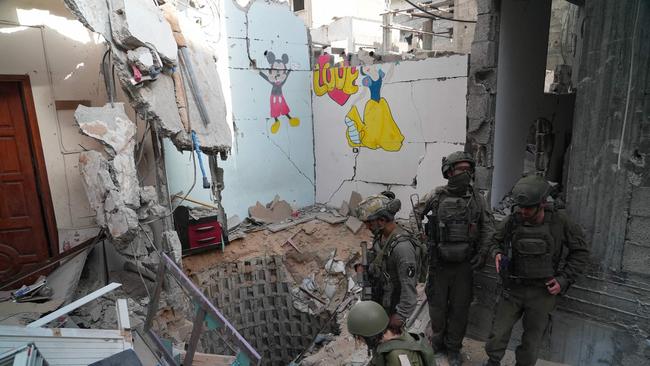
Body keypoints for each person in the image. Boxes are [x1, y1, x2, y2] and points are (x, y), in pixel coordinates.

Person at [484, 174, 590, 366]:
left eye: (528, 208)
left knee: (532, 343)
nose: (523, 211)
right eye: (521, 207)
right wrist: (497, 253)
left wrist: (563, 280)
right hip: (512, 289)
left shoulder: (559, 222)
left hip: (542, 292)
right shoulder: (513, 220)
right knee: (497, 334)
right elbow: (494, 240)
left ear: (541, 203)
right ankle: (492, 362)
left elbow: (580, 252)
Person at [417, 151, 494, 365]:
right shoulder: (436, 195)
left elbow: (488, 228)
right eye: (461, 169)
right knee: (437, 308)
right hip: (439, 265)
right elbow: (416, 213)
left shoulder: (478, 199)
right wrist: (422, 238)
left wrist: (482, 253)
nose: (466, 173)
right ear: (449, 171)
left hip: (464, 266)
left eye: (468, 169)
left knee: (460, 310)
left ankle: (453, 349)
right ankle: (437, 343)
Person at [356, 191, 423, 333]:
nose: (367, 227)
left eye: (368, 222)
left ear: (381, 220)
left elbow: (409, 293)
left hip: (392, 307)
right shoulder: (381, 236)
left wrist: (398, 318)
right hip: (380, 299)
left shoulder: (402, 248)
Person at [347, 300, 435, 366]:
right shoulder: (382, 339)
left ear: (369, 335)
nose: (359, 341)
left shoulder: (397, 356)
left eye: (359, 337)